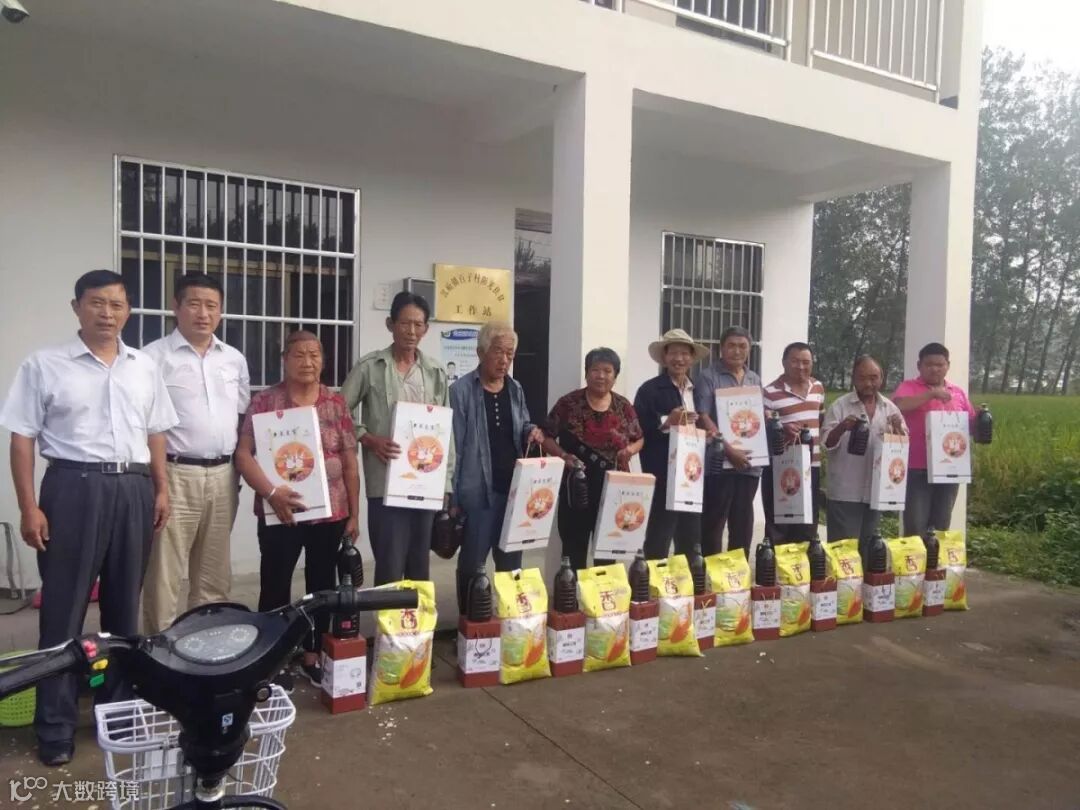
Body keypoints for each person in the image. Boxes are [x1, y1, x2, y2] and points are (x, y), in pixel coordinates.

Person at [0, 270, 176, 766]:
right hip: (72, 489)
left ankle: (115, 712)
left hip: (134, 489)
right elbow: (21, 438)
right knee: (63, 612)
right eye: (96, 303)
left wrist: (161, 488)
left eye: (116, 305)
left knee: (123, 610)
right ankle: (54, 727)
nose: (107, 313)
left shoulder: (144, 367)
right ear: (76, 307)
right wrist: (29, 506)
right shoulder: (44, 365)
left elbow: (156, 432)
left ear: (129, 311)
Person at [235, 331, 359, 689]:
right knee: (275, 585)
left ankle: (312, 654)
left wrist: (354, 514)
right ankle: (273, 659)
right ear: (284, 360)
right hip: (280, 512)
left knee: (322, 586)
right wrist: (271, 492)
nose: (308, 362)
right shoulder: (264, 402)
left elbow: (350, 461)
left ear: (323, 360)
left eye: (314, 355)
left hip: (329, 514)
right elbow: (243, 454)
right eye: (299, 355)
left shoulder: (335, 403)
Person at [141, 273, 251, 633]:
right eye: (194, 304)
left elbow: (241, 418)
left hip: (223, 475)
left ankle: (206, 645)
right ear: (176, 306)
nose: (203, 313)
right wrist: (158, 485)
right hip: (174, 474)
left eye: (212, 306)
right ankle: (159, 648)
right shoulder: (152, 358)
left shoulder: (233, 359)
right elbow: (146, 426)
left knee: (213, 573)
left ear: (221, 311)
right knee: (165, 572)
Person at [341, 292, 453, 585]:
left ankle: (416, 617)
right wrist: (367, 438)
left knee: (419, 567)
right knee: (389, 566)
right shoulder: (370, 367)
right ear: (391, 324)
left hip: (425, 482)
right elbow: (339, 412)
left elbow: (446, 431)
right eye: (405, 323)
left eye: (418, 324)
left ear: (426, 328)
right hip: (386, 483)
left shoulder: (435, 372)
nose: (411, 331)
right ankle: (387, 617)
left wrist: (446, 484)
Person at [449, 322, 544, 611]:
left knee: (511, 565)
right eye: (498, 352)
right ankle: (470, 623)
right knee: (472, 564)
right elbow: (454, 446)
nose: (504, 360)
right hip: (477, 492)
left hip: (513, 490)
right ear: (481, 352)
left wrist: (531, 431)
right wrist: (452, 497)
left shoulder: (515, 389)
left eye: (510, 354)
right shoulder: (461, 391)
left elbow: (522, 424)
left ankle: (510, 622)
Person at [542, 348, 643, 570]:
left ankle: (603, 591)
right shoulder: (568, 404)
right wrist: (563, 455)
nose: (601, 376)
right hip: (576, 487)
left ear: (615, 376)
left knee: (607, 553)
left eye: (608, 371)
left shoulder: (623, 406)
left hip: (613, 490)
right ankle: (571, 590)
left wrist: (630, 450)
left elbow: (639, 438)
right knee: (573, 549)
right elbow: (545, 436)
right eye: (595, 370)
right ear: (586, 373)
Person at [633, 329, 711, 560]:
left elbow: (706, 419)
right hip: (662, 471)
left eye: (685, 354)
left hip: (692, 473)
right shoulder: (650, 390)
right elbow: (637, 428)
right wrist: (668, 422)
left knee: (690, 533)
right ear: (664, 357)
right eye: (673, 353)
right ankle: (652, 577)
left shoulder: (697, 389)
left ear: (692, 358)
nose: (679, 359)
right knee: (660, 532)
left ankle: (684, 578)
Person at [822, 355, 906, 551]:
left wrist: (897, 429)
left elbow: (902, 446)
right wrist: (842, 427)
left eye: (874, 378)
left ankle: (867, 573)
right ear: (853, 378)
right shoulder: (840, 406)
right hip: (846, 491)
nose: (868, 383)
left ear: (882, 378)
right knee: (843, 551)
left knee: (869, 547)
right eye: (862, 378)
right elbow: (826, 443)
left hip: (876, 490)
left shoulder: (890, 408)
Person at [892, 342, 976, 535]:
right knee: (915, 525)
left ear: (948, 366)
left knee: (940, 526)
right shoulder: (908, 387)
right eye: (929, 364)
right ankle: (915, 555)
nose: (935, 369)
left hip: (949, 470)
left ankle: (935, 555)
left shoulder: (957, 393)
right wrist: (931, 394)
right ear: (919, 366)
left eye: (940, 364)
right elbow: (899, 406)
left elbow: (970, 423)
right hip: (916, 468)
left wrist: (980, 420)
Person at [694, 326, 763, 558]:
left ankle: (737, 572)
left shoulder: (754, 379)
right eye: (731, 345)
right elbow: (703, 417)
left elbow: (756, 418)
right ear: (721, 349)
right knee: (714, 521)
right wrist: (729, 450)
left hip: (749, 463)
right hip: (719, 462)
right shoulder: (708, 377)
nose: (737, 351)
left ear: (749, 350)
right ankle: (711, 572)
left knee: (742, 521)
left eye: (742, 346)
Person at [761, 342, 826, 543]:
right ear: (784, 363)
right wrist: (782, 429)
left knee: (808, 524)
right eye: (795, 361)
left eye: (806, 362)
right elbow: (762, 431)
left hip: (811, 466)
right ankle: (776, 561)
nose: (801, 366)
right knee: (779, 525)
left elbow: (821, 420)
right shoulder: (769, 392)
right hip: (782, 468)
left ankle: (802, 561)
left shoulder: (818, 388)